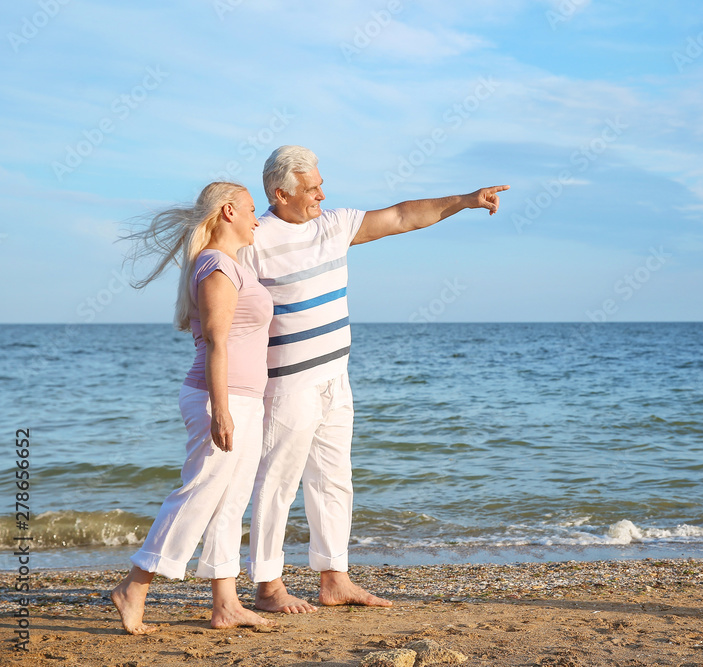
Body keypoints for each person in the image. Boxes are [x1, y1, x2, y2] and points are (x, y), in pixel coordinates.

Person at [241, 145, 508, 613]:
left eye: (321, 184)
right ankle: (267, 587)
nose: (322, 194)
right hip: (287, 384)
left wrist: (466, 200)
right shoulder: (254, 241)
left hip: (335, 377)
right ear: (281, 194)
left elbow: (403, 216)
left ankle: (334, 579)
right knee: (276, 483)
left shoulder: (333, 225)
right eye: (312, 188)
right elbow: (229, 306)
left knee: (334, 478)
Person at [110, 182, 276, 634]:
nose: (257, 219)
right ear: (229, 212)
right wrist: (221, 410)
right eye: (251, 210)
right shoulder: (216, 265)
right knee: (200, 493)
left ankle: (226, 604)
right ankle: (134, 587)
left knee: (230, 501)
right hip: (220, 397)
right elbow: (218, 341)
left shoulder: (230, 263)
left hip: (244, 397)